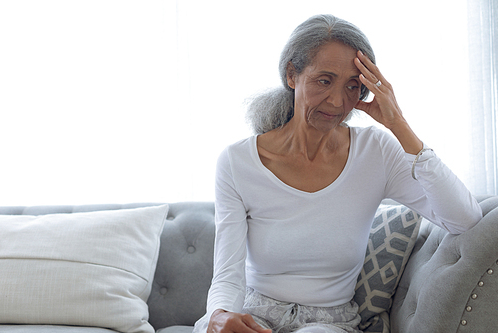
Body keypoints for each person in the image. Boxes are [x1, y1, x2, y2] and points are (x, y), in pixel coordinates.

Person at [193, 14, 483, 333]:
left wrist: (398, 124)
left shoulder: (377, 151)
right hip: (255, 312)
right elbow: (228, 272)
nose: (337, 101)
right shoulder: (238, 161)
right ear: (292, 75)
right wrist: (219, 314)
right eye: (324, 80)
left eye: (352, 86)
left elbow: (464, 218)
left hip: (328, 322)